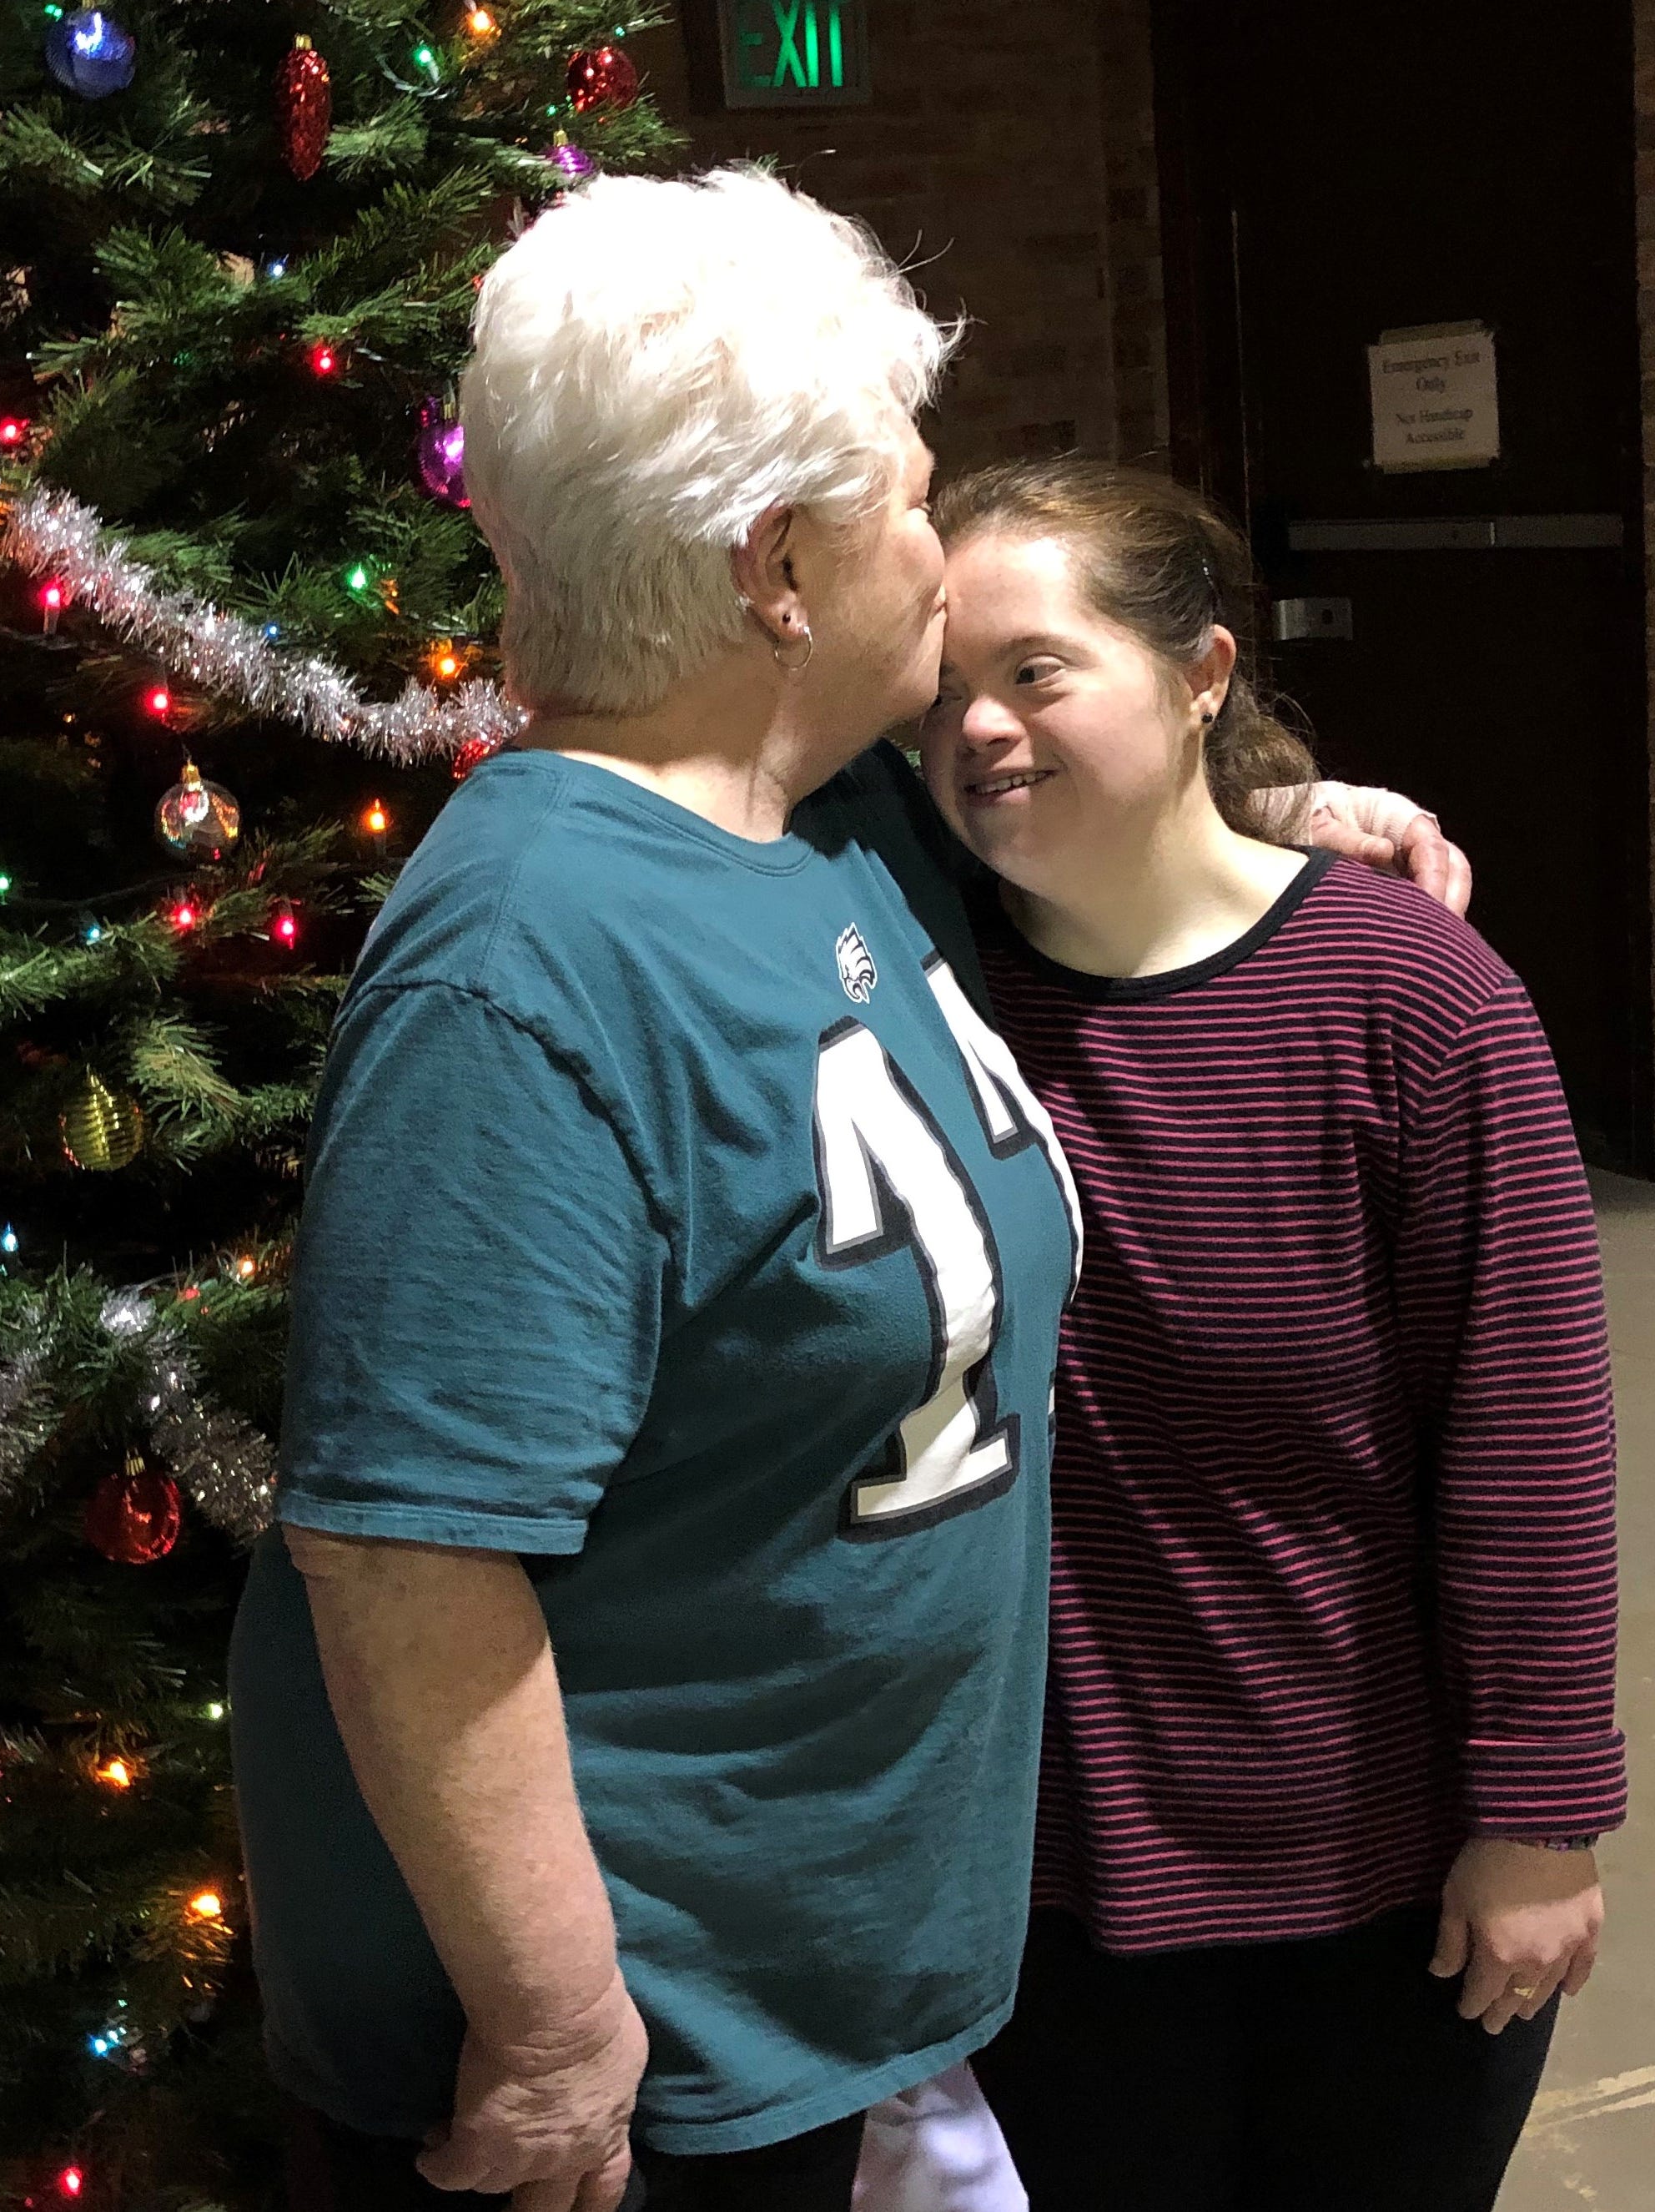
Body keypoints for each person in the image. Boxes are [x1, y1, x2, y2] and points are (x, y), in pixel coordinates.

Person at [229, 170, 1461, 2212]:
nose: (940, 542)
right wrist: (557, 2033)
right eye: (905, 496)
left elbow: (1076, 816)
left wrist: (1267, 815)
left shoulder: (831, 809)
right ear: (775, 567)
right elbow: (405, 1556)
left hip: (821, 1998)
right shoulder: (522, 969)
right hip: (628, 2065)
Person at [907, 458, 1626, 2212]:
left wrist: (1538, 1818)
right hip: (1047, 1876)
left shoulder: (1415, 1002)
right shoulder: (918, 996)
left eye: (1037, 670)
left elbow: (1525, 1443)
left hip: (1367, 1867)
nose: (980, 731)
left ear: (1204, 671)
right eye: (938, 695)